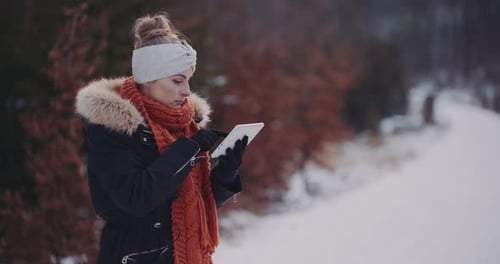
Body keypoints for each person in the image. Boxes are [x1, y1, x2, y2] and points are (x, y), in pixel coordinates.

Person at [75, 12, 247, 264]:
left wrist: (227, 173)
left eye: (188, 80)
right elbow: (136, 198)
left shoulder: (185, 125)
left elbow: (197, 206)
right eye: (177, 80)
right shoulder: (113, 127)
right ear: (149, 78)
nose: (187, 91)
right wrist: (187, 150)